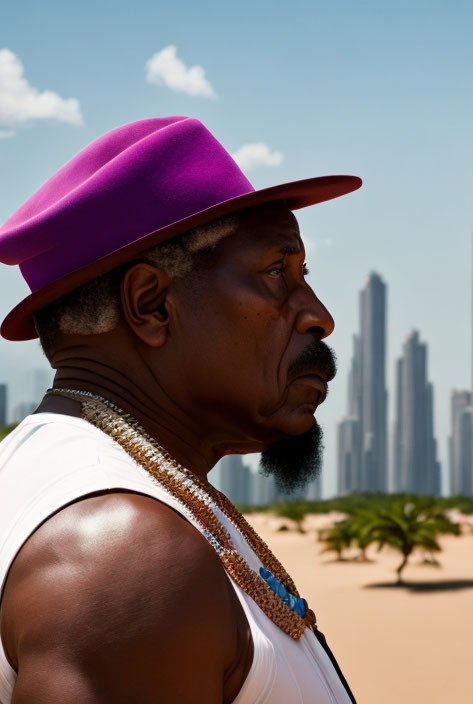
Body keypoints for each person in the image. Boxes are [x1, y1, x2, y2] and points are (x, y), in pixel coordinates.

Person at [0, 116, 362, 703]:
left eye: (304, 276)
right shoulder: (123, 554)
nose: (319, 315)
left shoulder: (64, 480)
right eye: (276, 273)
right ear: (150, 305)